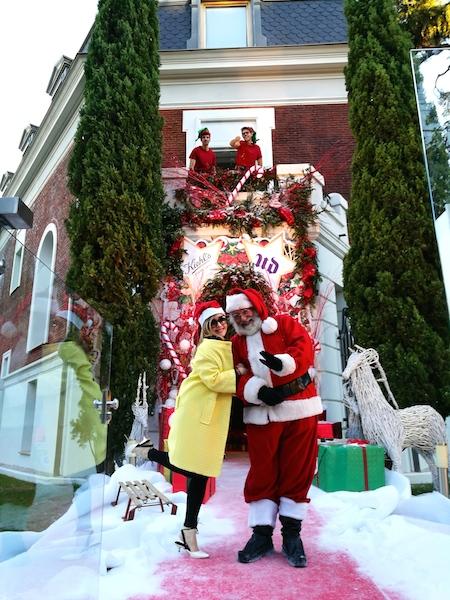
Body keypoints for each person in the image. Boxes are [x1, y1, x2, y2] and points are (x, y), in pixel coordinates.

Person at [225, 287, 322, 568]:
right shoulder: (236, 343)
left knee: (297, 469)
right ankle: (261, 535)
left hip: (298, 408)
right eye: (237, 315)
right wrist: (256, 389)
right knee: (262, 472)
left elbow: (304, 349)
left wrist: (282, 364)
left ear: (256, 309)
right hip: (262, 415)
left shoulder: (285, 324)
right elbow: (237, 375)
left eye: (246, 312)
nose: (243, 318)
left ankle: (292, 535)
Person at [134, 301, 236, 558]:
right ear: (206, 327)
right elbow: (214, 380)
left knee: (198, 472)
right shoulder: (206, 349)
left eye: (223, 319)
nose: (221, 324)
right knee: (196, 469)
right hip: (198, 415)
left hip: (206, 414)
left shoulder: (223, 346)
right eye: (215, 322)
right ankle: (188, 532)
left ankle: (188, 532)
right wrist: (241, 374)